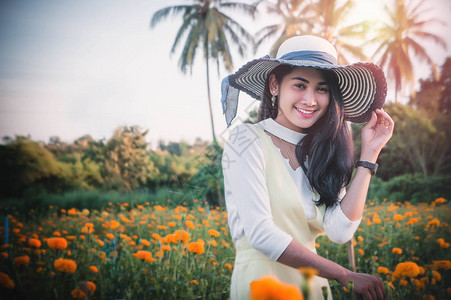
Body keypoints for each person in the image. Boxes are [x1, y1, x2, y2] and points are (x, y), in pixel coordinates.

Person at [220, 35, 394, 300]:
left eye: (322, 89)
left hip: (311, 288)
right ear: (275, 85)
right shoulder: (246, 139)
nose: (311, 100)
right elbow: (260, 234)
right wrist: (344, 275)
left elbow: (339, 231)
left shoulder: (322, 154)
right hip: (260, 285)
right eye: (300, 85)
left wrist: (369, 155)